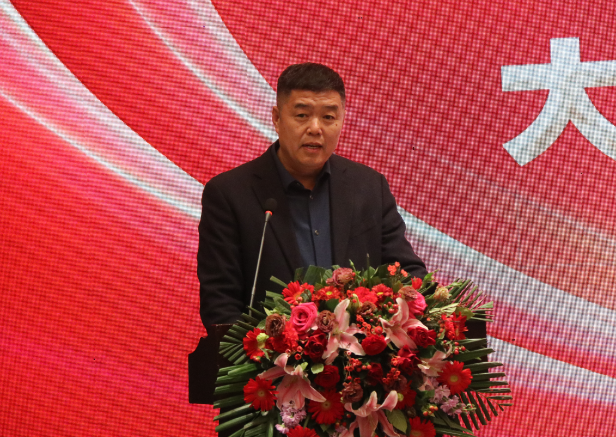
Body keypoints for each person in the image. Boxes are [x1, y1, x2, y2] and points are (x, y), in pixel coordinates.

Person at [198, 63, 427, 326]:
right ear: (277, 118)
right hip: (269, 350)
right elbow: (220, 304)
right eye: (302, 115)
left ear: (341, 120)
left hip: (361, 348)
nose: (315, 128)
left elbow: (407, 274)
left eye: (328, 117)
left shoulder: (368, 187)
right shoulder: (230, 194)